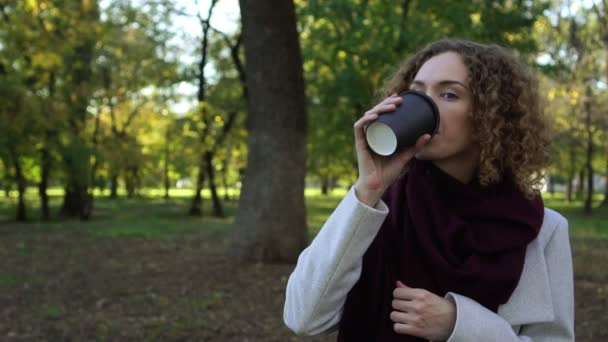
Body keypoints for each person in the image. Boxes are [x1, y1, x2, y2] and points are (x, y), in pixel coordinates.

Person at [283, 39, 574, 341]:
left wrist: (459, 324)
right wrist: (368, 189)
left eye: (449, 94)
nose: (426, 105)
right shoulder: (375, 210)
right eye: (418, 92)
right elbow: (303, 317)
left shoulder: (541, 230)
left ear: (490, 115)